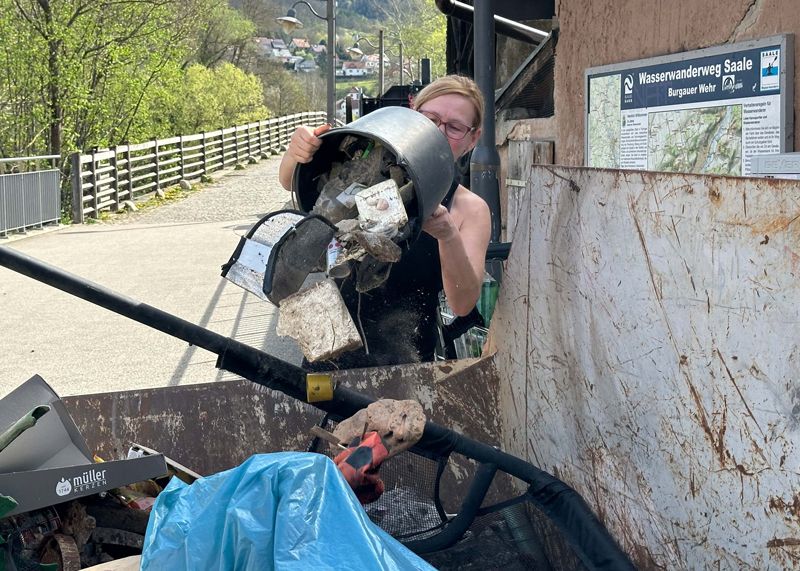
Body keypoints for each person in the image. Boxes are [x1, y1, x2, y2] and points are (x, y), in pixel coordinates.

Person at [278, 75, 491, 368]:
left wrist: (448, 236)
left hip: (409, 358)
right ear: (411, 114)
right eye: (430, 118)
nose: (438, 132)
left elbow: (463, 303)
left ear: (472, 139)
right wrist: (296, 152)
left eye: (454, 127)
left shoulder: (469, 209)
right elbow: (291, 180)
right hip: (330, 344)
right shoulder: (367, 166)